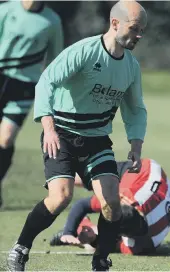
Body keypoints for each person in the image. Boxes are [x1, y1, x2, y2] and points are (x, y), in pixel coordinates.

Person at [6, 1, 148, 271]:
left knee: (112, 206)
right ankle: (21, 247)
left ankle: (100, 261)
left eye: (142, 30)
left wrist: (136, 145)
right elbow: (47, 80)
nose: (139, 35)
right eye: (134, 28)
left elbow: (136, 108)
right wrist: (48, 127)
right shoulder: (85, 51)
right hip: (62, 135)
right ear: (115, 23)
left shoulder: (131, 67)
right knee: (60, 197)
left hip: (97, 141)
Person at [0, 0, 63, 208]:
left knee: (6, 138)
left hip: (24, 86)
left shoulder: (52, 21)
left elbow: (55, 61)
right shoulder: (5, 10)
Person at [49, 158, 170, 256]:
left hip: (164, 199)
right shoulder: (124, 195)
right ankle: (57, 174)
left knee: (93, 245)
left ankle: (85, 226)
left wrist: (93, 239)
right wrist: (68, 232)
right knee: (92, 179)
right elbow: (82, 205)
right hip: (145, 170)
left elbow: (111, 245)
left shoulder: (143, 245)